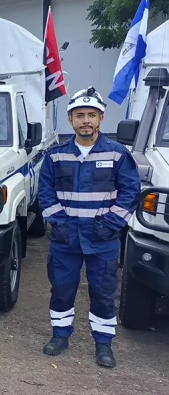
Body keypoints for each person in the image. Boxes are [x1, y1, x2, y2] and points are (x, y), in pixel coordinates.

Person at [38, 87, 141, 368]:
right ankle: (60, 336)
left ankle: (104, 344)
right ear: (70, 120)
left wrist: (112, 224)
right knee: (61, 288)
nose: (86, 120)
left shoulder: (118, 155)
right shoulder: (56, 155)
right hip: (65, 238)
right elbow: (45, 191)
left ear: (101, 119)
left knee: (103, 291)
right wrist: (57, 223)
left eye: (91, 115)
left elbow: (131, 191)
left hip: (103, 239)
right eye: (80, 115)